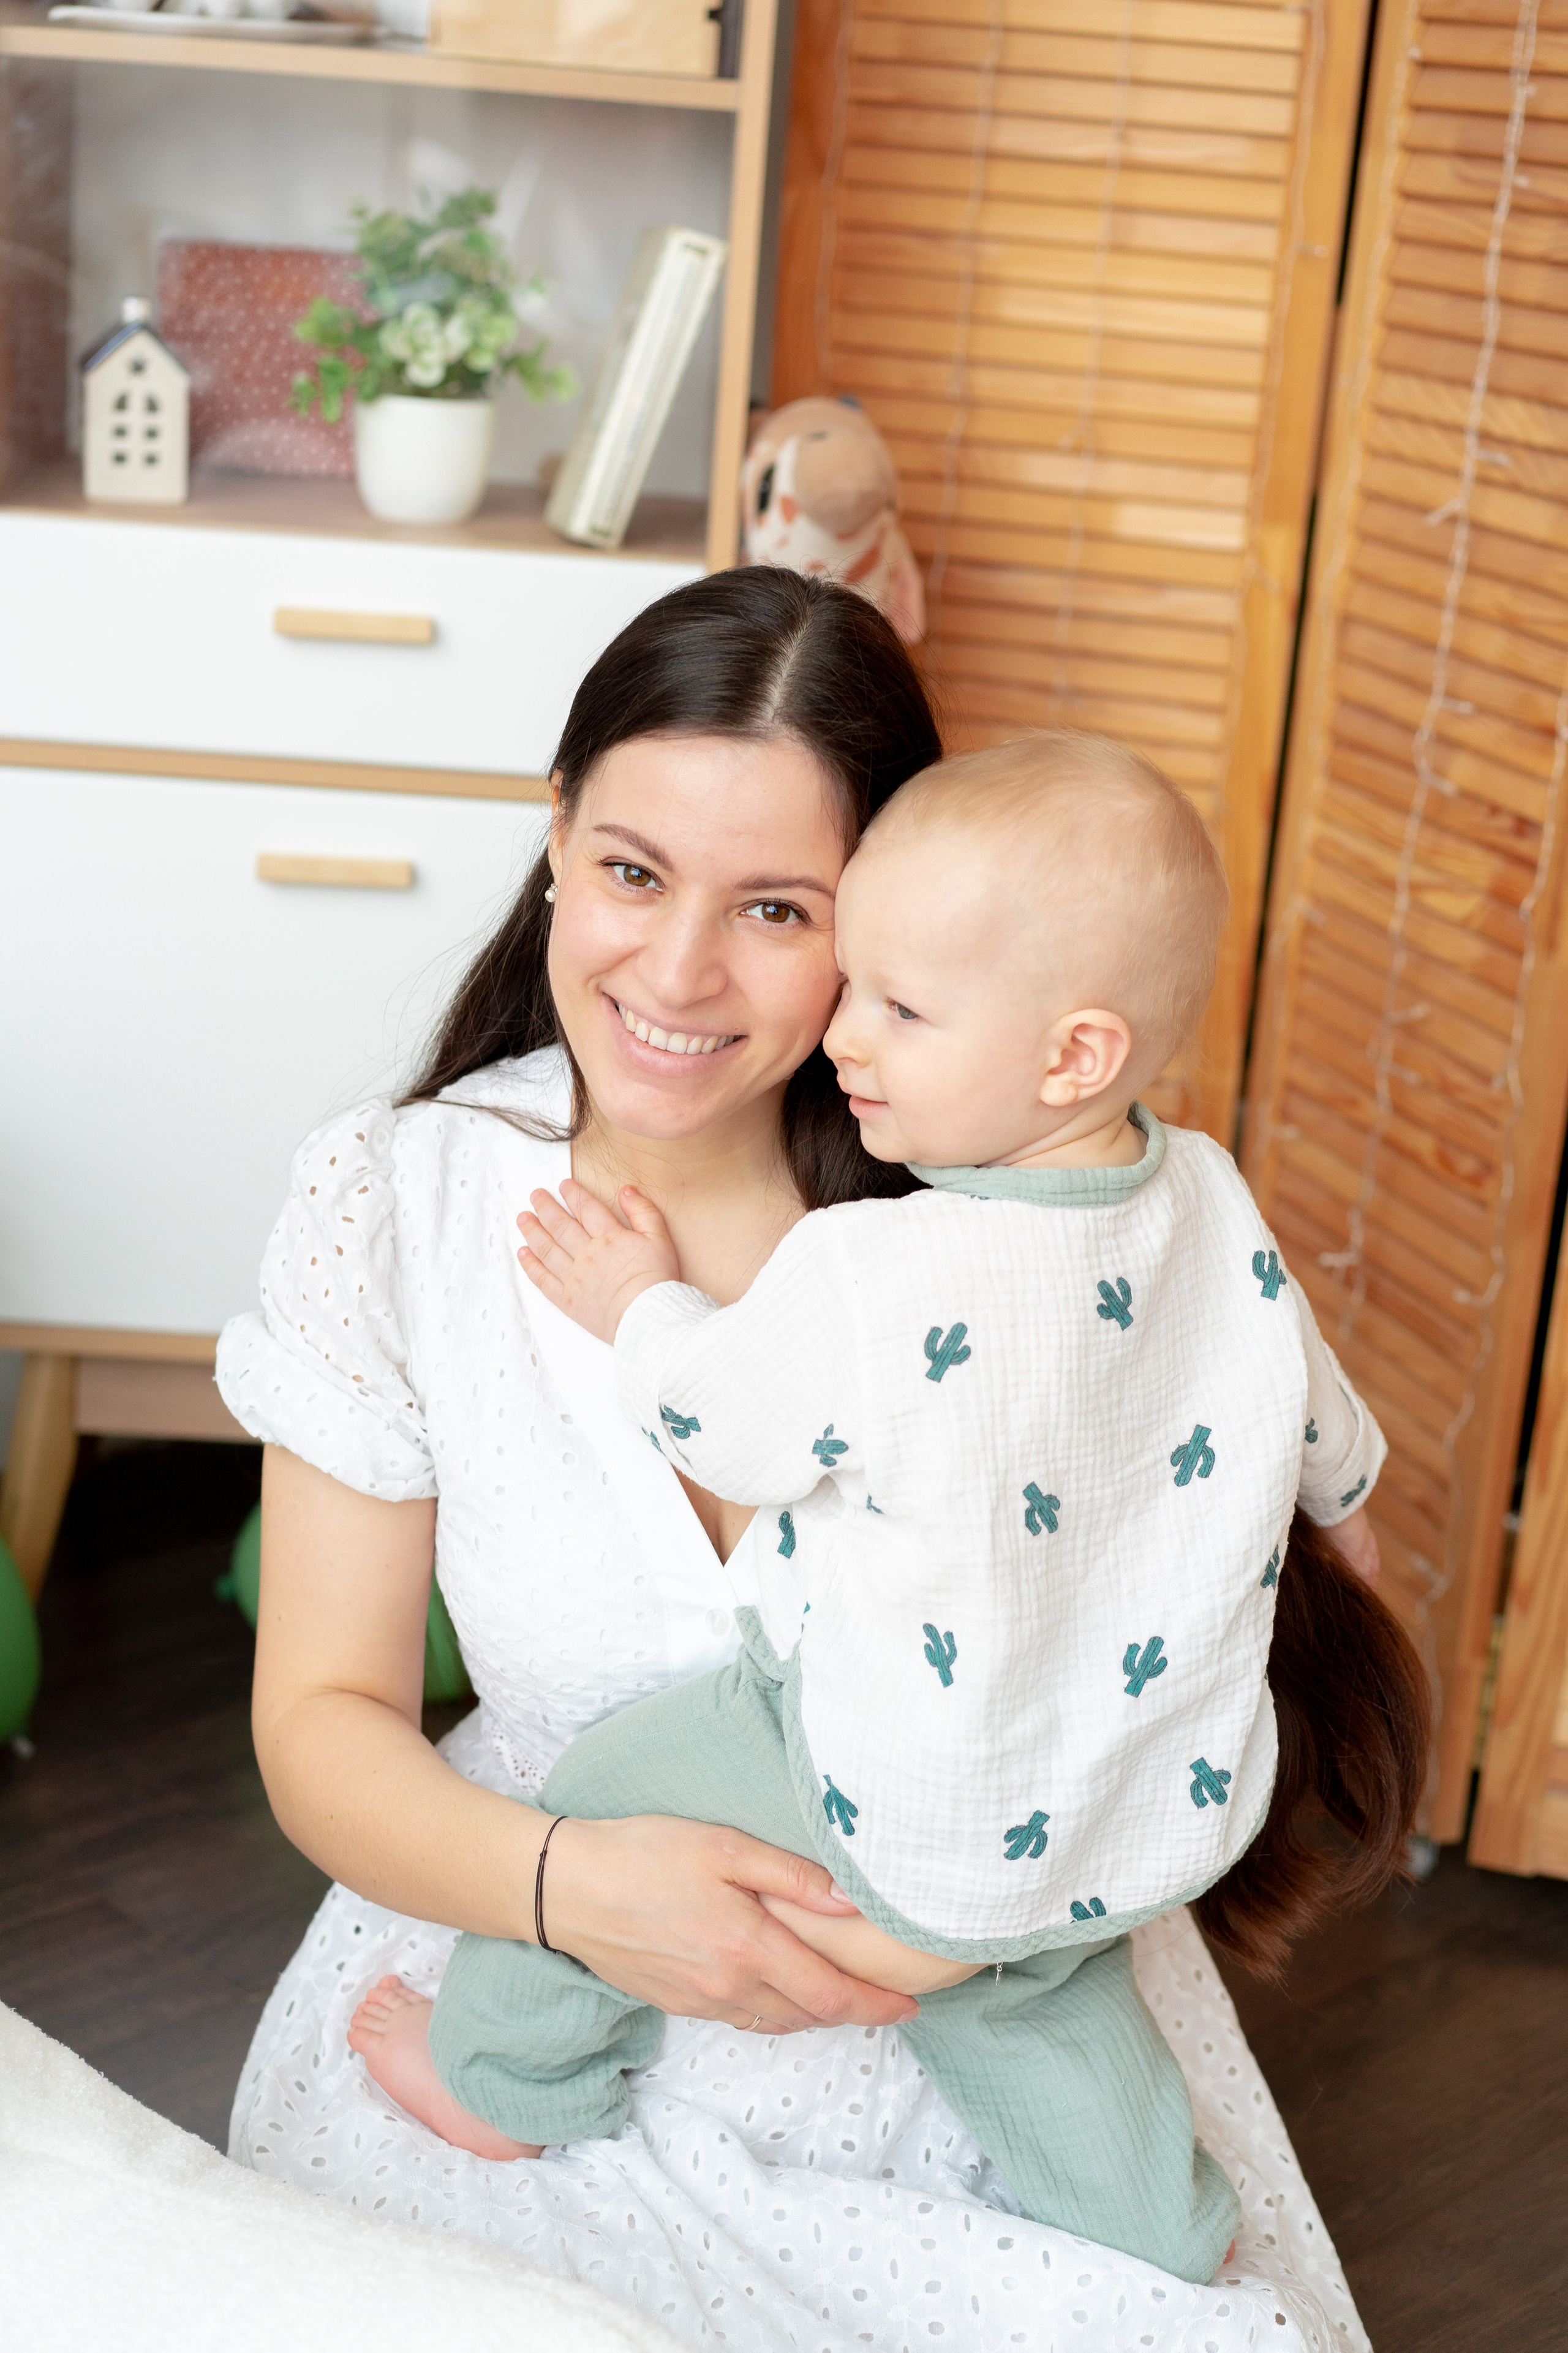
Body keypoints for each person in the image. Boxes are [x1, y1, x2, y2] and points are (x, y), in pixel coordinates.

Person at [218, 573, 1378, 2352]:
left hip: (989, 1997)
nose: (677, 973)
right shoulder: (402, 1203)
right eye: (629, 870)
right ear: (554, 837)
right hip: (532, 1957)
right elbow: (319, 1717)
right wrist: (579, 1893)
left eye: (778, 908)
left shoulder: (1052, 1214)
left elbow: (1284, 1541)